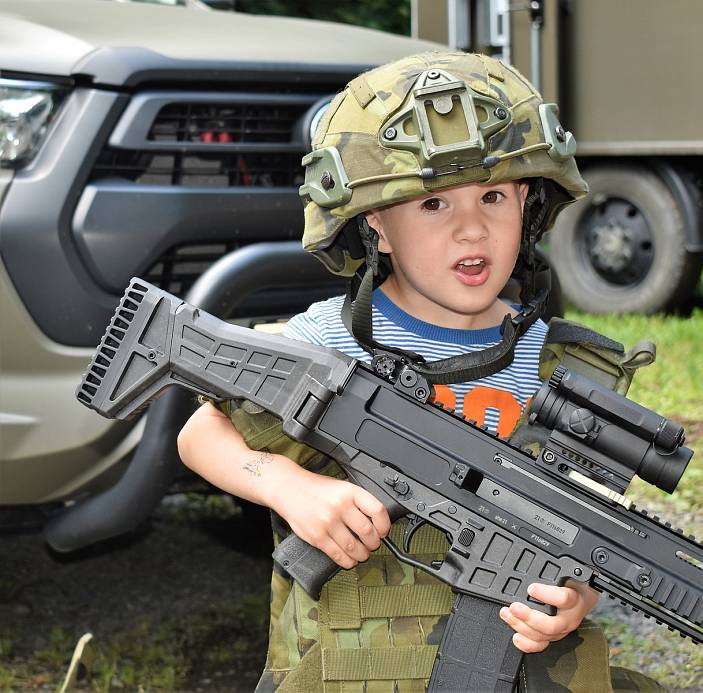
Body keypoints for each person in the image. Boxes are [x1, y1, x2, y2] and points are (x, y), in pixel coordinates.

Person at [178, 51, 665, 693]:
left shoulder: (564, 373)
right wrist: (291, 487)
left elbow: (586, 538)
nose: (472, 229)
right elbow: (199, 435)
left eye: (494, 196)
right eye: (433, 205)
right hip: (350, 671)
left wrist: (575, 599)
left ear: (528, 205)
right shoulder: (326, 342)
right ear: (375, 226)